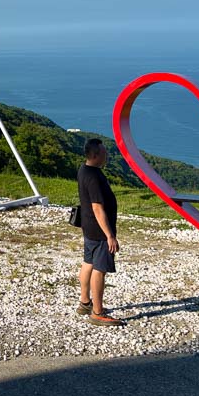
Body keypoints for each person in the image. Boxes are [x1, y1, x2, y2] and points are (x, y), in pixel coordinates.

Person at [76, 138, 121, 326]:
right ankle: (97, 312)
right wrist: (110, 235)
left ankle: (84, 302)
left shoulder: (84, 169)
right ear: (95, 155)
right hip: (99, 229)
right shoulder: (93, 176)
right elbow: (97, 207)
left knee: (88, 262)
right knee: (99, 269)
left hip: (89, 227)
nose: (107, 155)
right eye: (104, 153)